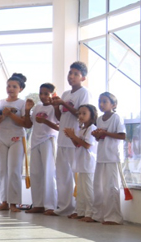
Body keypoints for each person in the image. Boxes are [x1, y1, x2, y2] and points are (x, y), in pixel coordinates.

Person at [52, 61, 92, 216]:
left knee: (76, 176)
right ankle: (63, 207)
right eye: (70, 73)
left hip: (75, 139)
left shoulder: (84, 93)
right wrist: (56, 106)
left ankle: (80, 209)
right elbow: (60, 117)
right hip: (62, 138)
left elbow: (82, 114)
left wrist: (63, 104)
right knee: (61, 175)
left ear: (83, 78)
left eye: (76, 74)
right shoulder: (65, 94)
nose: (72, 76)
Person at [0, 73, 31, 212]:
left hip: (16, 138)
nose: (10, 89)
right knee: (2, 170)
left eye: (14, 86)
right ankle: (4, 201)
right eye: (8, 86)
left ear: (20, 89)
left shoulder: (22, 103)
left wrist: (11, 114)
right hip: (1, 137)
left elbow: (26, 124)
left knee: (14, 170)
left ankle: (14, 203)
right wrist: (3, 115)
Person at [25, 83, 60, 215]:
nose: (43, 96)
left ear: (53, 94)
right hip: (35, 141)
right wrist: (28, 111)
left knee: (49, 173)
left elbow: (59, 127)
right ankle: (38, 203)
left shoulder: (54, 108)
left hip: (48, 140)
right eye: (41, 93)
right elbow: (28, 125)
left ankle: (51, 205)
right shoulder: (37, 107)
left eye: (46, 93)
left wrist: (46, 122)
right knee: (35, 173)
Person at [92, 92, 126, 225]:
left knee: (111, 187)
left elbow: (122, 136)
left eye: (105, 101)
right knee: (98, 186)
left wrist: (104, 132)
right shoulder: (99, 119)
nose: (101, 104)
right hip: (101, 156)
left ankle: (114, 217)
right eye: (100, 101)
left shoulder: (117, 117)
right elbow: (100, 138)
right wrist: (97, 135)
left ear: (113, 104)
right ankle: (99, 215)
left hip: (112, 156)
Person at [65, 104, 98, 222]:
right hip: (81, 162)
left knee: (88, 189)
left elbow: (87, 145)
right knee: (81, 189)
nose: (81, 116)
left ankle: (91, 214)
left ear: (92, 116)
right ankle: (81, 211)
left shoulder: (92, 128)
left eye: (84, 113)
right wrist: (71, 137)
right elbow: (77, 144)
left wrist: (73, 136)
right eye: (79, 113)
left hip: (89, 163)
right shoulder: (82, 129)